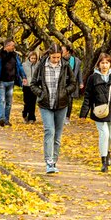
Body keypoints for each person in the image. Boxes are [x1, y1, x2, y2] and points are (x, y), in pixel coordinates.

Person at [29, 43, 76, 174]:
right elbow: (33, 84)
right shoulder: (41, 66)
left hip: (61, 104)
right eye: (54, 57)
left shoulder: (65, 66)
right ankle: (49, 162)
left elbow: (73, 83)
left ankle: (54, 160)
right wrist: (41, 93)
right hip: (45, 104)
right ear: (49, 55)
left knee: (58, 135)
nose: (56, 60)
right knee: (49, 130)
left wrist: (65, 92)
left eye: (58, 57)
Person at [80, 53, 111, 172]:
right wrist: (84, 112)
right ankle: (104, 160)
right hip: (99, 111)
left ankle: (108, 151)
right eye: (102, 63)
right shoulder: (93, 78)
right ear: (98, 64)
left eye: (107, 63)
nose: (105, 65)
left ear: (110, 64)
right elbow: (88, 96)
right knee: (104, 134)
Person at [0, 40, 26, 127]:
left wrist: (23, 77)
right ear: (7, 46)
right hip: (1, 82)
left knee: (9, 102)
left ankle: (6, 120)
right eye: (12, 46)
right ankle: (1, 118)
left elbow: (19, 66)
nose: (14, 47)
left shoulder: (15, 55)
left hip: (11, 82)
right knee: (2, 100)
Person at [61, 45, 83, 125]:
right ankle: (61, 117)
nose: (61, 52)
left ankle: (67, 117)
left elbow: (79, 72)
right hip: (62, 83)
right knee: (62, 100)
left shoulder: (75, 60)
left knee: (70, 101)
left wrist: (81, 82)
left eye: (62, 50)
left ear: (68, 51)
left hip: (71, 83)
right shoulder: (59, 59)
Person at [21, 50, 39, 123]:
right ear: (29, 58)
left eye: (35, 58)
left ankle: (31, 117)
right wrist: (22, 80)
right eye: (32, 58)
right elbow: (21, 74)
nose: (33, 60)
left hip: (34, 86)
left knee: (33, 102)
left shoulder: (38, 65)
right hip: (26, 86)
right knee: (27, 102)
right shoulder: (24, 65)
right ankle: (25, 114)